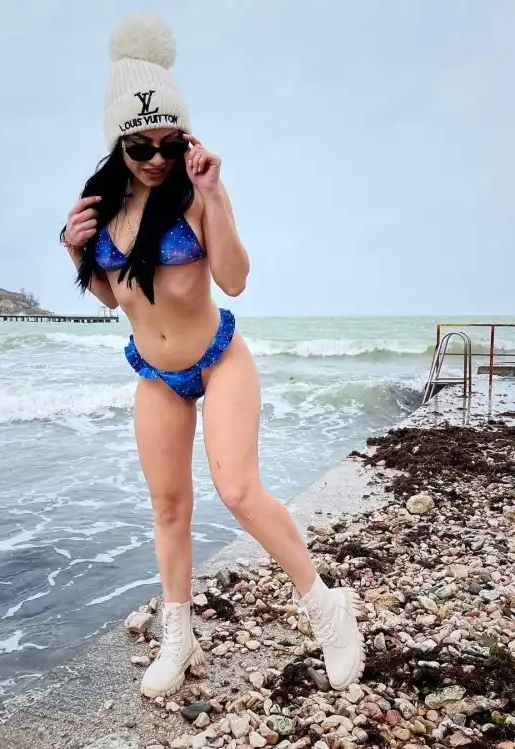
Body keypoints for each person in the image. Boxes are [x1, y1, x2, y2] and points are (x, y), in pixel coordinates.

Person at [61, 14, 365, 699]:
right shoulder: (99, 209)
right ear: (117, 142)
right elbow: (114, 297)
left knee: (238, 490)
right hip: (156, 374)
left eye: (170, 143)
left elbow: (234, 279)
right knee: (168, 506)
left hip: (219, 358)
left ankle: (327, 606)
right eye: (141, 146)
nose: (157, 158)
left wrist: (214, 195)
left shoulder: (194, 197)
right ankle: (179, 634)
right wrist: (75, 252)